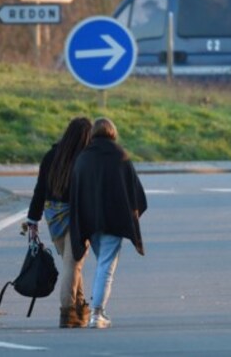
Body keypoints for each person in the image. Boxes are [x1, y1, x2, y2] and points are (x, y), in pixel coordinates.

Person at [69, 118, 147, 329]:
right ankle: (97, 313)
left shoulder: (84, 157)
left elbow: (76, 190)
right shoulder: (120, 156)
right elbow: (135, 190)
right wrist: (133, 213)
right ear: (113, 132)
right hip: (115, 220)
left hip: (90, 221)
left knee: (102, 262)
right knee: (106, 266)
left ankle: (98, 310)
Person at [26, 117, 92, 328]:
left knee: (71, 263)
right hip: (77, 218)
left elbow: (39, 190)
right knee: (72, 264)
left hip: (53, 216)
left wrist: (32, 219)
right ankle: (68, 312)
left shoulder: (51, 155)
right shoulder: (85, 159)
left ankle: (81, 307)